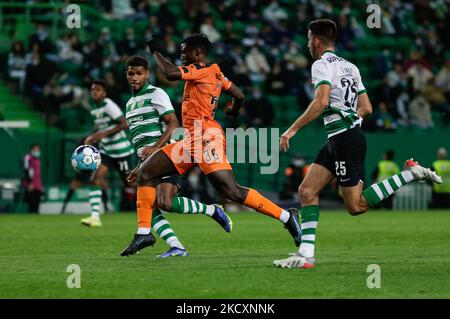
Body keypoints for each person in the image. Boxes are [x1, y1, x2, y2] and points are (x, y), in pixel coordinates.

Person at [273, 19, 442, 269]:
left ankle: (410, 174)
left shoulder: (320, 65)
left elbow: (321, 102)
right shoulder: (351, 67)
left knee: (356, 205)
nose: (308, 44)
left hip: (346, 139)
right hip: (340, 138)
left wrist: (292, 130)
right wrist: (349, 118)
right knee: (307, 192)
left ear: (316, 41)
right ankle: (305, 256)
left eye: (309, 39)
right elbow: (367, 108)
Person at [126, 34, 301, 251]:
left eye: (184, 50)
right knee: (146, 172)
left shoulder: (202, 69)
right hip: (190, 138)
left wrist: (155, 52)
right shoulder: (216, 72)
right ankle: (144, 233)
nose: (181, 54)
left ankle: (286, 216)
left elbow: (170, 74)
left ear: (197, 53)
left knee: (231, 192)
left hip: (206, 137)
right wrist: (234, 109)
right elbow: (239, 94)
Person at [119, 55, 233, 258]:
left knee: (161, 202)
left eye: (139, 73)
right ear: (126, 75)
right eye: (130, 74)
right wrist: (139, 166)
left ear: (147, 74)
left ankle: (209, 212)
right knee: (155, 204)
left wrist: (155, 149)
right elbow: (141, 141)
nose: (134, 77)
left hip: (164, 155)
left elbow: (173, 124)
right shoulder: (129, 104)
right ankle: (177, 245)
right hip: (147, 160)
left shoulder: (156, 93)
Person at [80, 80, 136, 227]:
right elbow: (100, 126)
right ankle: (95, 217)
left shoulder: (108, 105)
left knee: (130, 183)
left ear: (104, 93)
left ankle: (156, 196)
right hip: (107, 152)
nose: (94, 92)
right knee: (95, 178)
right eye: (92, 90)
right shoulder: (94, 108)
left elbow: (124, 123)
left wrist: (102, 134)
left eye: (98, 90)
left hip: (121, 151)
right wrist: (91, 137)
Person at [22, 143, 44, 213]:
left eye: (38, 149)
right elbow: (26, 170)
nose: (37, 151)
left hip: (38, 186)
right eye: (35, 149)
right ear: (31, 150)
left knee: (36, 205)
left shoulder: (38, 159)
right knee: (31, 204)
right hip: (30, 185)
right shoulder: (27, 158)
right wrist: (29, 183)